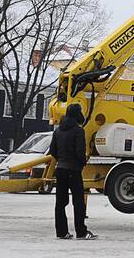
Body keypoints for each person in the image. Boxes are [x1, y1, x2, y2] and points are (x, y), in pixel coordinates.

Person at [48, 103, 96, 240]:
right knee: (78, 202)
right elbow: (80, 152)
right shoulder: (78, 130)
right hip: (73, 170)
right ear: (77, 114)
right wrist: (82, 163)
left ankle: (61, 232)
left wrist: (61, 160)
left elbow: (53, 151)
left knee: (60, 202)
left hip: (60, 169)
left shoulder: (57, 131)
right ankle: (81, 232)